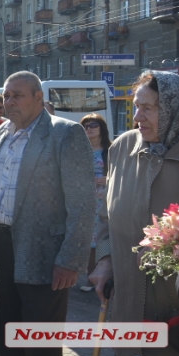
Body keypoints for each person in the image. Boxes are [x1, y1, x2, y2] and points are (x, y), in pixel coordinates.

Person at [0, 71, 93, 356]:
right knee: (8, 336)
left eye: (17, 95)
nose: (9, 101)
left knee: (40, 344)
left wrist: (71, 260)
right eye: (6, 96)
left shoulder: (65, 133)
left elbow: (83, 204)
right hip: (5, 249)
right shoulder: (2, 132)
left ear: (38, 98)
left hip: (47, 258)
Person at [89, 71, 179, 356]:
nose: (137, 117)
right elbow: (105, 216)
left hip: (173, 316)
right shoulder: (122, 148)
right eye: (136, 106)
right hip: (126, 308)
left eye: (149, 108)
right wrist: (105, 260)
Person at [78, 113, 111, 293]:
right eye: (85, 126)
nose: (88, 129)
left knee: (103, 239)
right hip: (85, 202)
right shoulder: (78, 150)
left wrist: (108, 179)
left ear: (101, 129)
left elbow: (122, 175)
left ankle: (106, 279)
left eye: (93, 125)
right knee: (89, 242)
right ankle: (92, 279)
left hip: (106, 201)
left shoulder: (111, 150)